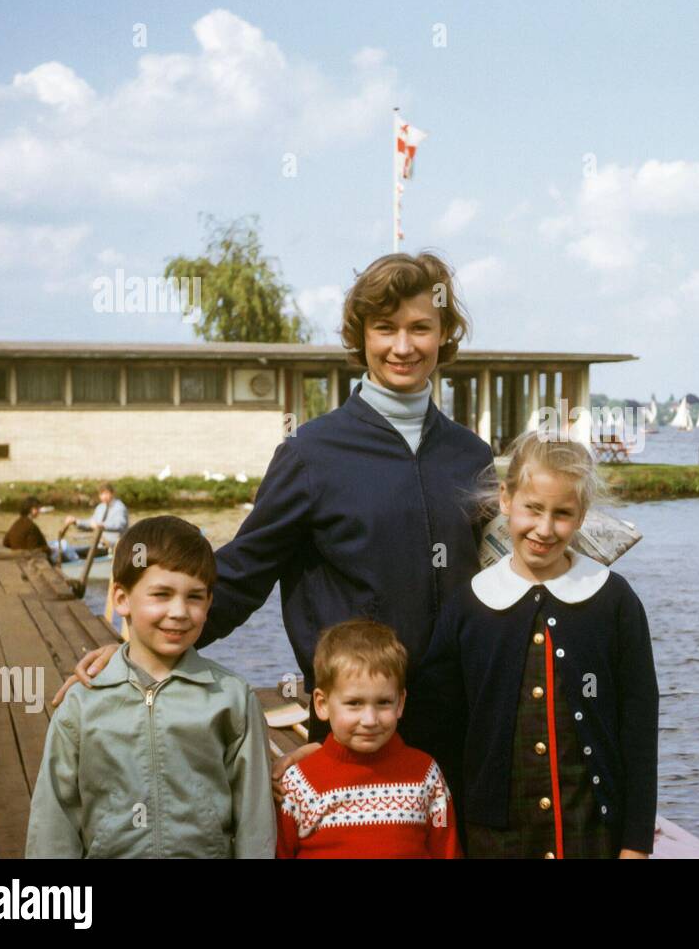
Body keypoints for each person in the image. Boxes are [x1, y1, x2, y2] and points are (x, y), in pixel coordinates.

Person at [52, 252, 493, 761]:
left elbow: (502, 578)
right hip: (357, 728)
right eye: (384, 328)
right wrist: (141, 653)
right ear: (361, 336)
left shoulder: (470, 455)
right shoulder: (312, 454)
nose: (402, 346)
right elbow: (243, 569)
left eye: (420, 328)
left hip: (466, 721)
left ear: (444, 334)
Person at [410, 430, 658, 859]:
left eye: (563, 513)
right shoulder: (468, 606)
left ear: (581, 517)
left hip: (592, 832)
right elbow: (437, 730)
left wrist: (635, 844)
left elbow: (638, 728)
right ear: (506, 500)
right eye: (533, 509)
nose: (544, 528)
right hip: (494, 839)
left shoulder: (614, 601)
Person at [25, 516, 275, 857]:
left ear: (210, 602)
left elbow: (255, 819)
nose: (179, 612)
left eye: (195, 597)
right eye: (161, 594)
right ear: (122, 599)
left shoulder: (232, 698)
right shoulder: (82, 704)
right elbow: (54, 819)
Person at [275, 620, 459, 858]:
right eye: (354, 704)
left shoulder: (426, 775)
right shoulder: (299, 784)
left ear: (400, 702)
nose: (370, 719)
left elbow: (447, 851)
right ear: (322, 705)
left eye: (383, 702)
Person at [52, 483, 129, 561]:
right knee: (68, 551)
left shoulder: (120, 507)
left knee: (79, 553)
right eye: (101, 494)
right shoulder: (100, 508)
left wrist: (102, 526)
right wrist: (76, 521)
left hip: (113, 548)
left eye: (106, 493)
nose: (104, 497)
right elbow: (91, 523)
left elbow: (120, 525)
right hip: (99, 545)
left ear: (112, 493)